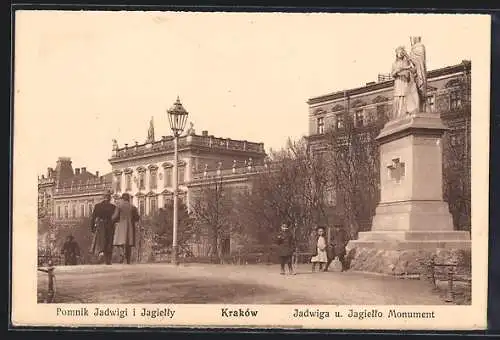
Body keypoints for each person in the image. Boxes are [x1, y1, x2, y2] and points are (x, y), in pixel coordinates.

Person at [112, 193, 140, 264]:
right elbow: (137, 217)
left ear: (122, 198)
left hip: (121, 225)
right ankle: (128, 259)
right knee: (128, 243)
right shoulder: (133, 207)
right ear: (128, 199)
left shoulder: (119, 206)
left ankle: (122, 254)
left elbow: (115, 216)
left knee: (119, 242)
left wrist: (112, 220)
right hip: (130, 226)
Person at [90, 191, 116, 265]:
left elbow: (93, 217)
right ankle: (108, 259)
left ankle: (102, 254)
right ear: (109, 198)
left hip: (101, 225)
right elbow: (116, 217)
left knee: (101, 240)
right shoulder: (113, 207)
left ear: (103, 197)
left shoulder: (97, 206)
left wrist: (92, 228)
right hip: (110, 225)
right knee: (109, 241)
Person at [391, 46, 418, 118]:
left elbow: (413, 69)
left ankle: (406, 112)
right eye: (398, 52)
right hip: (398, 81)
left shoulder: (406, 62)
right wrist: (401, 69)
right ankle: (399, 114)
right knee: (399, 97)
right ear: (396, 54)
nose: (400, 53)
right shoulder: (394, 64)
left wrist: (407, 56)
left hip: (405, 81)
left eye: (401, 52)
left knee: (405, 95)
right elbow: (393, 74)